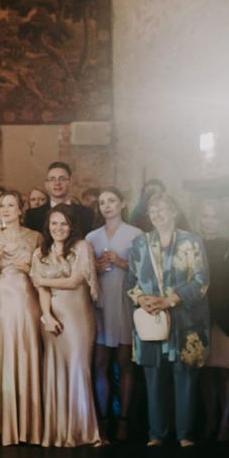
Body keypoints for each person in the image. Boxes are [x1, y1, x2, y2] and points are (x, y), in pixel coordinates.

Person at [127, 191, 210, 448]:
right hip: (151, 319)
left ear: (174, 211)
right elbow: (131, 280)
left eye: (162, 209)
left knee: (184, 376)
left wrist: (169, 300)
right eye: (152, 211)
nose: (157, 215)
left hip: (185, 320)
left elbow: (201, 281)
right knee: (153, 377)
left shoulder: (191, 242)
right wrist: (141, 299)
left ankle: (184, 433)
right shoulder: (141, 243)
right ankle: (156, 434)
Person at [31, 205, 101, 447]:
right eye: (54, 224)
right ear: (48, 227)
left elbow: (75, 280)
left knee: (77, 369)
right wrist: (46, 315)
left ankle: (82, 431)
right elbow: (40, 289)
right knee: (54, 370)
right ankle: (57, 432)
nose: (58, 228)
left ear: (71, 226)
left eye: (63, 223)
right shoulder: (41, 251)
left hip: (78, 316)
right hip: (52, 318)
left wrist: (43, 279)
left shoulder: (81, 247)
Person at [0, 191, 43, 446]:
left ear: (21, 209)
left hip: (29, 298)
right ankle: (7, 425)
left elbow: (41, 273)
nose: (6, 209)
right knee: (6, 356)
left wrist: (25, 267)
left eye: (11, 205)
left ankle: (31, 426)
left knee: (30, 354)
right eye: (2, 206)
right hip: (2, 299)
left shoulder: (35, 237)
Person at [85, 187, 143, 441]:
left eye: (111, 201)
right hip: (100, 302)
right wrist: (94, 266)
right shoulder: (92, 237)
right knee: (100, 362)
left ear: (122, 204)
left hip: (125, 301)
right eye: (102, 202)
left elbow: (147, 272)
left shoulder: (136, 234)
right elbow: (84, 272)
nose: (106, 206)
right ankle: (104, 418)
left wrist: (122, 263)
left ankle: (125, 420)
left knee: (125, 362)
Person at [197, 199, 229, 442]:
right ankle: (210, 418)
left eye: (213, 217)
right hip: (200, 314)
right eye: (205, 216)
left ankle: (225, 420)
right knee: (206, 371)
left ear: (220, 220)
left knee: (226, 370)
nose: (209, 221)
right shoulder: (193, 244)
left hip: (225, 315)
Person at [24, 162, 95, 236]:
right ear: (46, 184)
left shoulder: (86, 214)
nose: (57, 183)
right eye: (52, 179)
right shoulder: (32, 216)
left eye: (62, 179)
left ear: (70, 182)